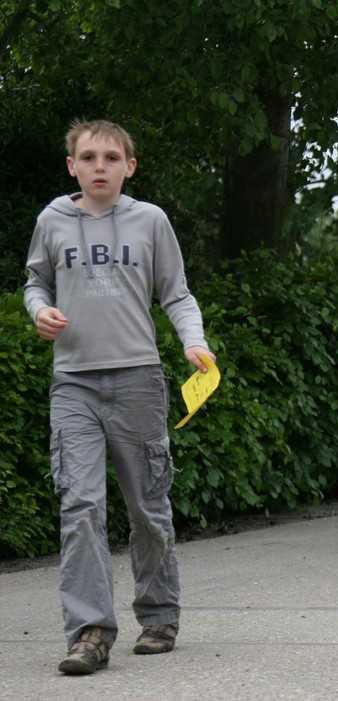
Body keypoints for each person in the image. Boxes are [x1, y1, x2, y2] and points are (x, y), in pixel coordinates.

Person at [24, 120, 215, 675]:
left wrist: (194, 341)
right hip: (74, 383)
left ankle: (158, 615)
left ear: (129, 166)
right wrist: (39, 310)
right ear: (72, 166)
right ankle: (89, 633)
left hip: (138, 380)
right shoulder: (52, 220)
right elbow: (35, 282)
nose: (99, 166)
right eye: (88, 157)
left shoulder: (150, 220)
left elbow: (176, 293)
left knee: (148, 507)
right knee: (80, 507)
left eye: (111, 157)